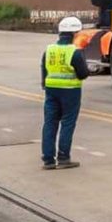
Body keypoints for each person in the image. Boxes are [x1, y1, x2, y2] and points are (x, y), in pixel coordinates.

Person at [42, 15, 90, 170]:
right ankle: (63, 158)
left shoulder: (48, 50)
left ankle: (48, 160)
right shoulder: (74, 52)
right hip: (70, 92)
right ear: (74, 34)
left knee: (50, 123)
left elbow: (44, 71)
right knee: (67, 123)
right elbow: (83, 74)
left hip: (51, 91)